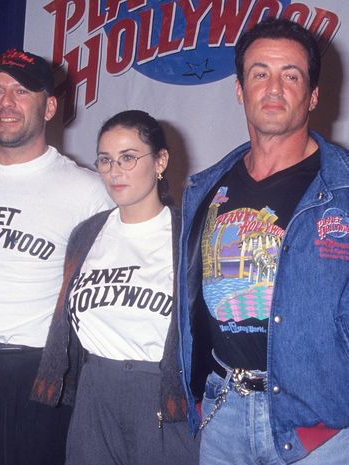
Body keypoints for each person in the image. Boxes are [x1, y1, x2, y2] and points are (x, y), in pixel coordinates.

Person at [0, 48, 113, 465]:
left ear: (49, 107)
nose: (6, 102)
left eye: (21, 91)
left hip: (33, 374)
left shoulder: (87, 190)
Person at [177, 18, 349, 465]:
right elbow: (191, 301)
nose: (274, 88)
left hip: (321, 429)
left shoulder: (345, 189)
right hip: (223, 412)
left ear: (313, 95)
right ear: (240, 89)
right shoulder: (204, 188)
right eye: (260, 73)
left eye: (290, 75)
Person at [32, 110, 198, 464]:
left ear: (160, 161)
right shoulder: (87, 234)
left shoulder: (189, 236)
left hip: (162, 397)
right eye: (105, 160)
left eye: (128, 158)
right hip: (95, 396)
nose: (114, 171)